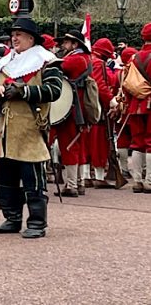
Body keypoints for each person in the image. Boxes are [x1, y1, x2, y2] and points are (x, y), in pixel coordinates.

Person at [0, 18, 63, 239]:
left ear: (31, 38)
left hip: (31, 129)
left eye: (19, 34)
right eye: (13, 34)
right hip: (6, 130)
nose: (14, 38)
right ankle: (12, 218)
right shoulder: (5, 62)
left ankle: (37, 222)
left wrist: (24, 91)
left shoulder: (47, 61)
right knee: (5, 181)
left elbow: (54, 90)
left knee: (33, 182)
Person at [50, 29, 92, 197]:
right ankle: (79, 182)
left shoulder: (75, 59)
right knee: (77, 145)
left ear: (75, 44)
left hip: (72, 109)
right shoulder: (85, 58)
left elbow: (54, 68)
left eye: (67, 42)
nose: (63, 45)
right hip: (78, 107)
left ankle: (72, 185)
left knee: (69, 146)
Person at [88, 38, 118, 188]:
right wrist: (111, 100)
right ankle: (99, 176)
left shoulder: (88, 59)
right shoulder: (98, 63)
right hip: (98, 107)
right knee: (99, 142)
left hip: (86, 106)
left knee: (87, 142)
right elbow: (100, 85)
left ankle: (86, 175)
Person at [126, 23, 151, 193]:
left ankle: (137, 181)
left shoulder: (134, 58)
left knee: (137, 143)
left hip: (135, 105)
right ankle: (149, 180)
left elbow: (126, 84)